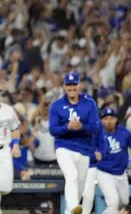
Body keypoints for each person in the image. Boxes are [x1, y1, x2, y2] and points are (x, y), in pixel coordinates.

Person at [48, 72, 100, 214]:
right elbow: (52, 130)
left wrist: (82, 126)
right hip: (64, 146)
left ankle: (69, 211)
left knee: (80, 186)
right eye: (69, 85)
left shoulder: (89, 103)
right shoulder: (57, 105)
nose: (71, 88)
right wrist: (67, 127)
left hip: (83, 148)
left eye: (74, 85)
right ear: (64, 86)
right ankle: (71, 207)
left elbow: (95, 127)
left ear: (79, 85)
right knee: (71, 175)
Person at [96, 107, 131, 214]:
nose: (109, 121)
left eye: (111, 118)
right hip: (104, 172)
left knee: (124, 202)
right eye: (105, 119)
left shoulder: (125, 133)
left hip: (121, 173)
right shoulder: (96, 134)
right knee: (113, 202)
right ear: (101, 121)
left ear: (116, 120)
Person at [81, 123, 109, 214]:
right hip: (75, 163)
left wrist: (101, 153)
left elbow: (102, 143)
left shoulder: (97, 124)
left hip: (91, 164)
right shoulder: (73, 120)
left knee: (88, 195)